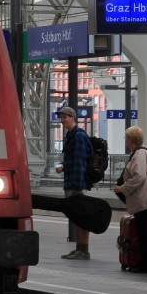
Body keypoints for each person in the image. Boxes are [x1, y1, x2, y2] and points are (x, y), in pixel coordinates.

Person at [114, 127, 147, 272]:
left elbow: (139, 176)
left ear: (131, 139)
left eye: (126, 138)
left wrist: (123, 188)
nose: (125, 141)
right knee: (146, 234)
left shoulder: (139, 154)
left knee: (145, 234)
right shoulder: (146, 152)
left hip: (143, 201)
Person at [54, 105, 94, 259]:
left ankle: (83, 250)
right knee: (76, 216)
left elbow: (79, 162)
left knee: (81, 216)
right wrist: (64, 166)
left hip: (76, 182)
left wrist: (77, 186)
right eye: (61, 117)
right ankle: (79, 248)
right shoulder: (71, 135)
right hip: (71, 180)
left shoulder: (78, 136)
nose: (63, 120)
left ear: (72, 118)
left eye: (65, 117)